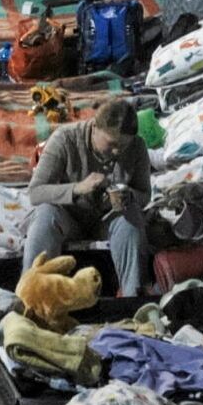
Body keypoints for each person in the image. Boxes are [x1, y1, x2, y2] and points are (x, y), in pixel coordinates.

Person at [24, 97, 151, 297]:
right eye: (111, 144)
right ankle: (34, 296)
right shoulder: (65, 139)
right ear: (94, 127)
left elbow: (144, 194)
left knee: (132, 217)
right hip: (68, 219)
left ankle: (133, 298)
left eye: (123, 146)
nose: (117, 152)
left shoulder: (137, 147)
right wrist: (77, 188)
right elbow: (35, 192)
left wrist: (129, 195)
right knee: (45, 215)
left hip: (106, 220)